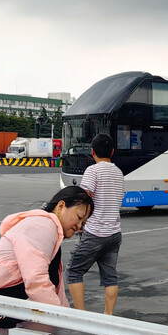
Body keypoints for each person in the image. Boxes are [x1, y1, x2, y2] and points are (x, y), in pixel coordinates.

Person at [0, 186, 93, 327]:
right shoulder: (43, 226)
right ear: (61, 206)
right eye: (79, 217)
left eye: (84, 223)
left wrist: (66, 316)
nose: (80, 226)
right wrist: (60, 318)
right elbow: (36, 279)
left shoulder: (50, 230)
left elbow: (54, 287)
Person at [66, 133, 125, 315]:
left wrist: (80, 222)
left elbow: (84, 199)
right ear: (112, 151)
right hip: (114, 233)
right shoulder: (118, 172)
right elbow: (120, 198)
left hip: (95, 232)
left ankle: (81, 314)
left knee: (74, 271)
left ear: (92, 152)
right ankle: (108, 316)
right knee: (110, 278)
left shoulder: (93, 170)